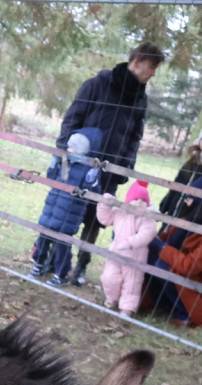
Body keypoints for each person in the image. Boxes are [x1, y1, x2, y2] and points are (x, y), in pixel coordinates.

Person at [56, 41, 165, 287]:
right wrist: (65, 151)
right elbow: (72, 118)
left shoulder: (140, 98)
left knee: (95, 219)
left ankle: (81, 266)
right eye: (151, 66)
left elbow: (135, 135)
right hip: (79, 165)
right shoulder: (97, 85)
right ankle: (56, 261)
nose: (154, 73)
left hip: (109, 170)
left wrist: (125, 167)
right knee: (66, 212)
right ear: (136, 62)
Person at [143, 119, 202, 328]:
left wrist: (193, 201)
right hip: (181, 213)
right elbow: (178, 184)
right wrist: (168, 204)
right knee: (157, 255)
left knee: (169, 261)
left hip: (197, 214)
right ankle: (161, 301)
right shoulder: (194, 160)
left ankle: (185, 309)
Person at [28, 127, 103, 286]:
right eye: (69, 146)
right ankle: (39, 264)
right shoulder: (64, 161)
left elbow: (93, 193)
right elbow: (51, 178)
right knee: (43, 238)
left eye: (73, 148)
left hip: (70, 214)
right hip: (52, 209)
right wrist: (53, 165)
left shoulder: (89, 168)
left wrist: (92, 180)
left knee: (63, 245)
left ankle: (61, 274)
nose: (68, 150)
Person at [97, 181, 158, 316]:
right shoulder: (120, 213)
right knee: (109, 277)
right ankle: (112, 299)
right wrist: (104, 203)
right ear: (129, 200)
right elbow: (104, 219)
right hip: (116, 254)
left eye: (143, 200)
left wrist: (130, 243)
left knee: (131, 285)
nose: (139, 202)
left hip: (135, 258)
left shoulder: (148, 219)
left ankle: (126, 309)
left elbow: (146, 234)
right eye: (136, 199)